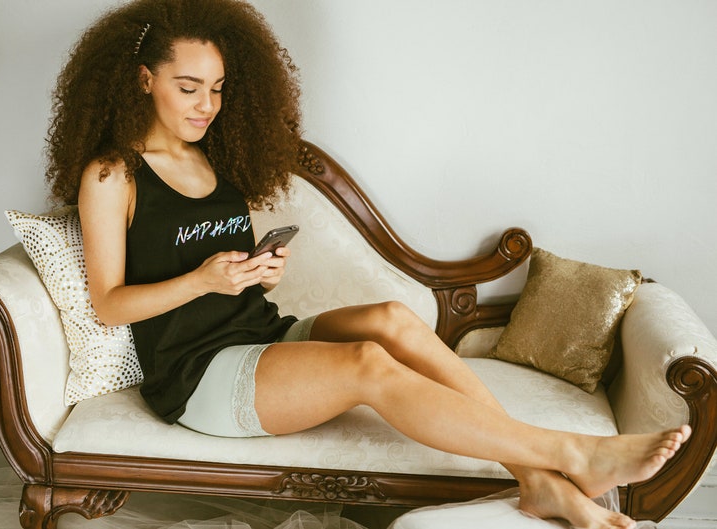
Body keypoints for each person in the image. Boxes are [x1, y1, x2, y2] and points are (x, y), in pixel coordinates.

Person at [45, 1, 690, 528]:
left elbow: (220, 266)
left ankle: (536, 481)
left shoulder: (211, 161)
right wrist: (203, 280)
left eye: (216, 89)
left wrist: (255, 271)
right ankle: (571, 456)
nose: (206, 105)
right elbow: (109, 302)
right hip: (197, 374)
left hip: (259, 334)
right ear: (142, 80)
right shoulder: (112, 173)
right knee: (366, 367)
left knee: (391, 317)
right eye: (188, 88)